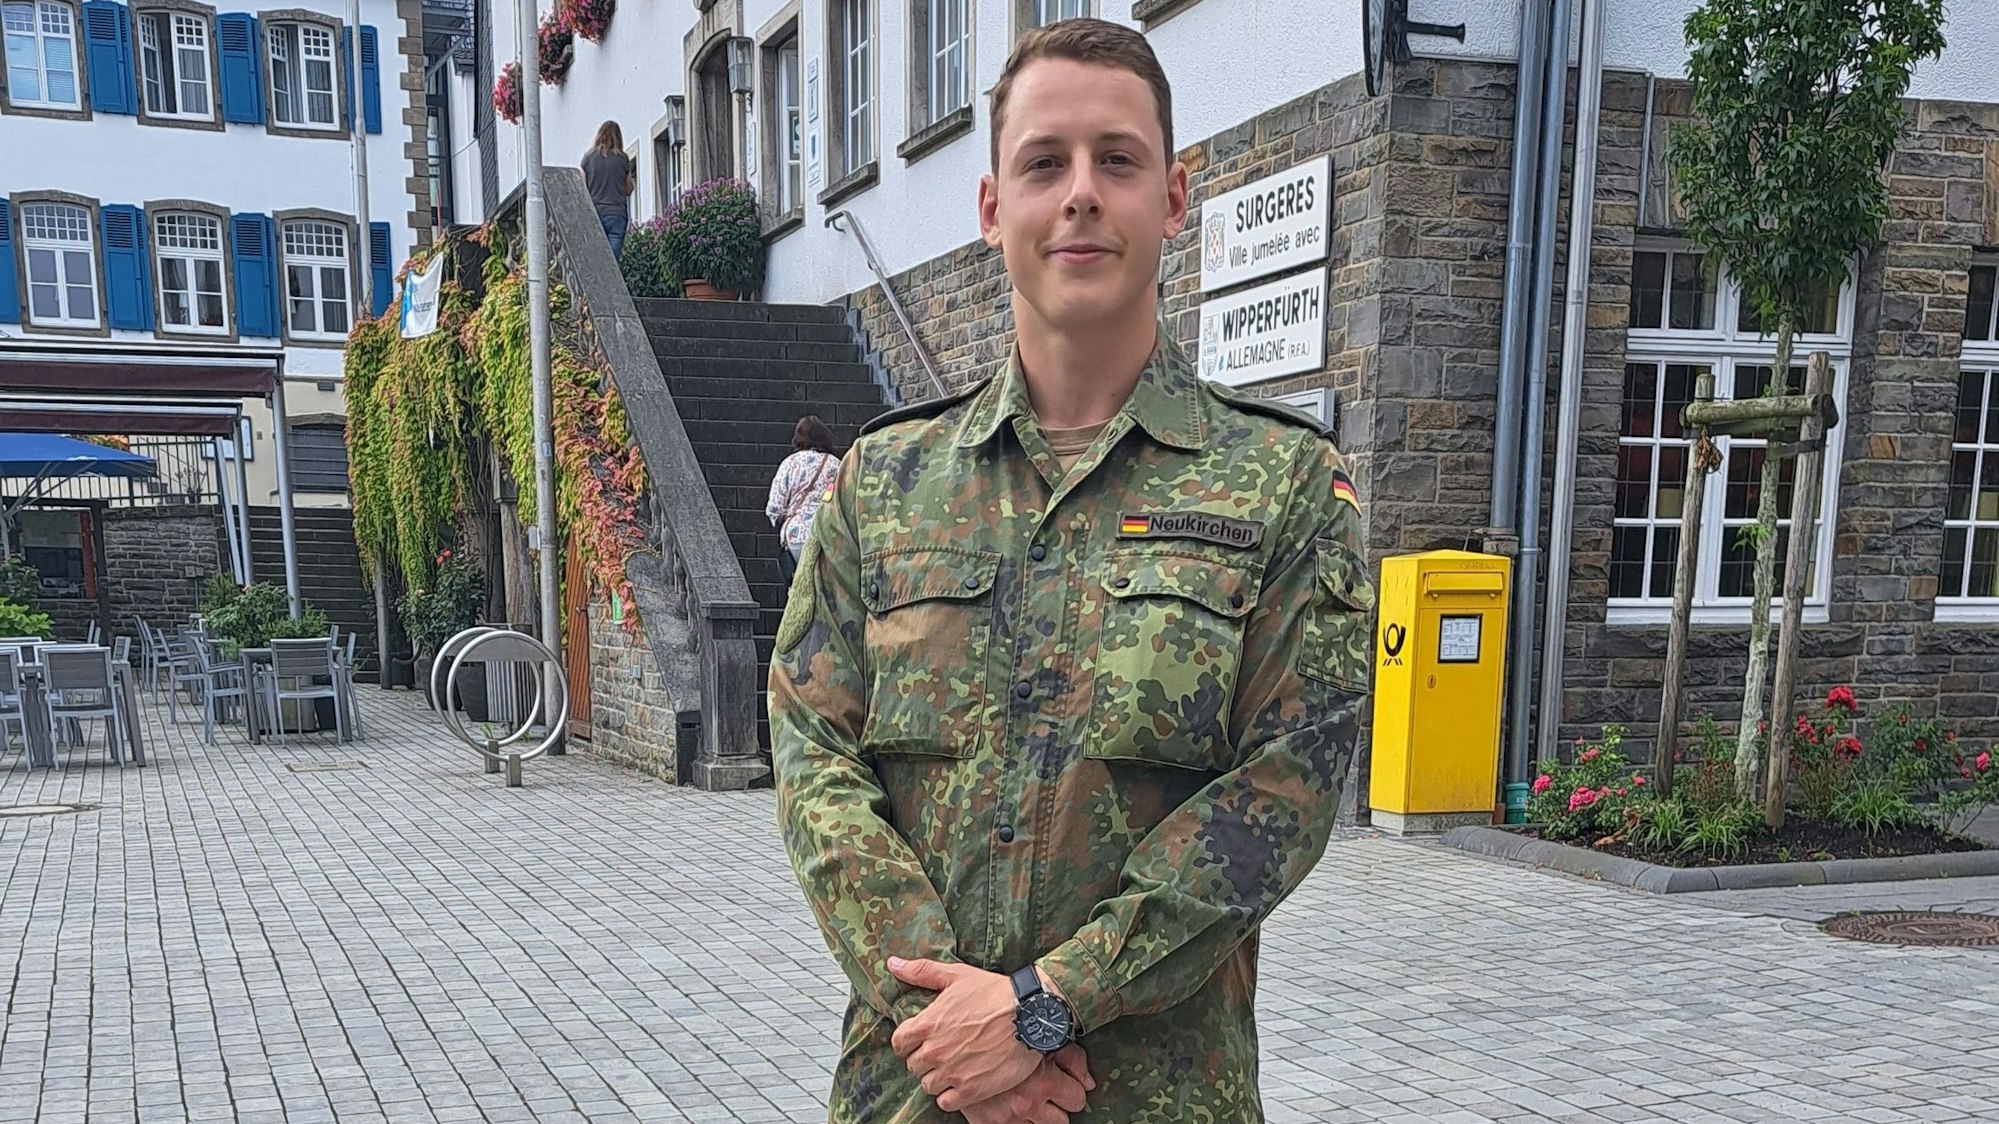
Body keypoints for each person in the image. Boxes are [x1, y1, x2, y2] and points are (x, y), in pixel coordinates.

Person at [768, 17, 1373, 1124]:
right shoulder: (884, 484)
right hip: (915, 1087)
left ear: (1174, 199)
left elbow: (1281, 793)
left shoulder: (1282, 486)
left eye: (1118, 160)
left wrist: (1044, 1005)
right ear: (994, 207)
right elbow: (815, 762)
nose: (1081, 192)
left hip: (1153, 1094)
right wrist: (951, 1024)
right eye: (1045, 162)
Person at [766, 416, 841, 587]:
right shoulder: (837, 465)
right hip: (827, 535)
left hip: (796, 537)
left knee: (798, 590)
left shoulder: (790, 463)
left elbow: (774, 508)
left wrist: (783, 517)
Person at [581, 121, 636, 259]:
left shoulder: (588, 157)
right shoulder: (623, 159)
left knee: (598, 260)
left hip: (596, 213)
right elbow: (628, 189)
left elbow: (582, 187)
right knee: (612, 262)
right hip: (617, 214)